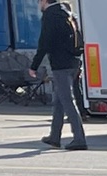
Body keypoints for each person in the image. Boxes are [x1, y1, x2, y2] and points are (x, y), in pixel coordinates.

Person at [29, 0, 85, 150]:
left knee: (67, 101)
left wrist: (34, 66)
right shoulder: (67, 13)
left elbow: (44, 42)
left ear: (44, 1)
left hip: (61, 65)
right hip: (73, 62)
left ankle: (79, 139)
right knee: (59, 101)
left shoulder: (50, 15)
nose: (39, 5)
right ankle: (54, 136)